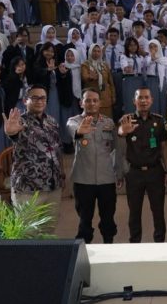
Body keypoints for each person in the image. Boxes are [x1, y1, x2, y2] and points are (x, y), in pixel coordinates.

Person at [3, 85, 63, 229]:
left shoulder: (52, 122)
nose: (39, 101)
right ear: (25, 100)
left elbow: (56, 151)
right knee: (28, 234)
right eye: (34, 98)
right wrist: (11, 132)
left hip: (53, 186)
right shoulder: (20, 122)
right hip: (28, 189)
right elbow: (13, 134)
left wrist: (62, 176)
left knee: (49, 230)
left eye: (43, 98)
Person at [67, 89, 122, 244]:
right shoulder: (74, 121)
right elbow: (73, 131)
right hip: (84, 179)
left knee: (108, 219)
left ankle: (109, 247)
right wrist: (80, 131)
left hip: (106, 178)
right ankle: (84, 253)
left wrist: (118, 173)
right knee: (84, 220)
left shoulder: (108, 123)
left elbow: (116, 150)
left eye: (95, 100)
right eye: (88, 100)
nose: (91, 103)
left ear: (100, 103)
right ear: (81, 103)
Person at [118, 87, 167, 243]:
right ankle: (135, 243)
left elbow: (164, 147)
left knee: (158, 211)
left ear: (151, 100)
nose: (143, 101)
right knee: (134, 212)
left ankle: (159, 243)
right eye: (140, 98)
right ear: (134, 101)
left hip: (155, 172)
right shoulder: (126, 120)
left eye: (146, 97)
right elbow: (120, 136)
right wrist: (122, 131)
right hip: (134, 173)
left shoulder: (159, 121)